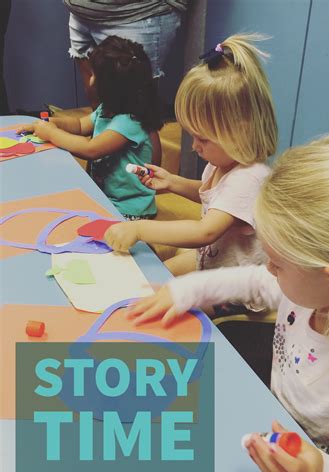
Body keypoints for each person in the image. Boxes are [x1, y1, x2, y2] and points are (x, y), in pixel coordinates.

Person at [127, 132, 329, 472]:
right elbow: (249, 279)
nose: (267, 270)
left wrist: (321, 469)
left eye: (277, 263)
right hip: (274, 425)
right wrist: (182, 291)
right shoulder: (308, 292)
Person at [104, 34, 278, 284]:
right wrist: (173, 182)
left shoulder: (250, 177)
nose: (194, 147)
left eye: (203, 139)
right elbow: (213, 195)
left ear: (240, 131)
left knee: (165, 297)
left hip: (235, 283)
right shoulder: (223, 162)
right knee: (152, 279)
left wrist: (140, 229)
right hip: (212, 260)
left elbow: (204, 231)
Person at [17, 36, 162, 220]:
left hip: (128, 211)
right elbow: (79, 125)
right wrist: (52, 124)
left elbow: (91, 149)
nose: (91, 80)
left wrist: (52, 134)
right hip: (106, 199)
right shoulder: (108, 109)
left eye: (94, 75)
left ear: (110, 87)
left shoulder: (129, 122)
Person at [63, 0, 187, 107]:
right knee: (97, 100)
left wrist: (52, 132)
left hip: (138, 13)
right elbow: (84, 123)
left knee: (136, 112)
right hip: (80, 13)